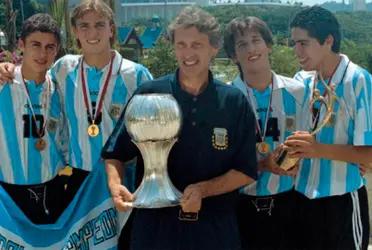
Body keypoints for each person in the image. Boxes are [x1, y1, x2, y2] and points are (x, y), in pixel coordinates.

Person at [101, 6, 257, 250]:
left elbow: (246, 169)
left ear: (214, 48)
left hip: (214, 230)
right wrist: (115, 184)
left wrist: (203, 190)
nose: (188, 53)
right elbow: (115, 153)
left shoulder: (233, 102)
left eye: (197, 45)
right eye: (181, 44)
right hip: (155, 229)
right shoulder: (149, 94)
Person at [0, 0, 152, 248]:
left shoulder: (136, 75)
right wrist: (7, 68)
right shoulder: (63, 70)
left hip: (121, 183)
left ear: (111, 29)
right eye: (84, 26)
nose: (92, 33)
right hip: (75, 188)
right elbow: (30, 75)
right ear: (75, 32)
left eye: (99, 25)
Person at [287, 6, 372, 250]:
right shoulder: (301, 80)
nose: (296, 51)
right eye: (294, 43)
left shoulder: (357, 80)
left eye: (303, 43)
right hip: (301, 199)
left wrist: (318, 150)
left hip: (342, 202)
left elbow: (369, 153)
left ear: (328, 41)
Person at [224, 16, 306, 250]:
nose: (251, 48)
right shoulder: (225, 99)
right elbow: (218, 157)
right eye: (241, 45)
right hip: (239, 204)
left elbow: (314, 140)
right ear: (232, 56)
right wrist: (262, 164)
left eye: (256, 40)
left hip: (289, 202)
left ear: (268, 45)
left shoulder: (298, 93)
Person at [0, 13, 68, 223]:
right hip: (7, 195)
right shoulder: (3, 83)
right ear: (21, 45)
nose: (42, 53)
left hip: (51, 194)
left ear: (56, 50)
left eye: (50, 47)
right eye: (35, 45)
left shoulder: (60, 89)